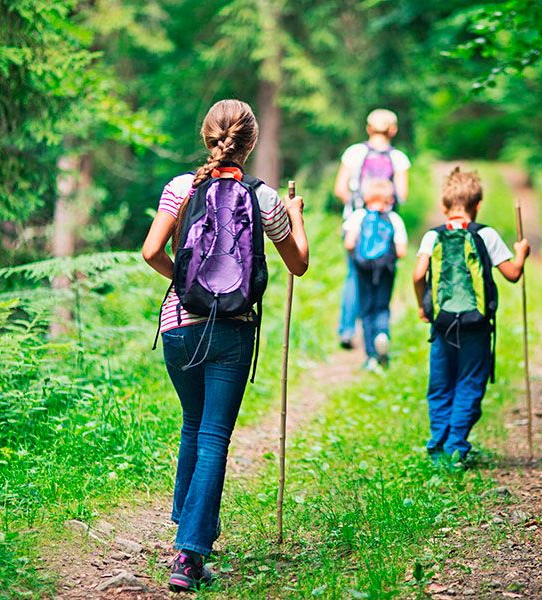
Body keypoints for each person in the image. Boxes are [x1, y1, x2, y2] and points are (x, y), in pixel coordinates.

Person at [141, 99, 309, 591]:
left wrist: (187, 285)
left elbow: (151, 252)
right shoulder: (265, 198)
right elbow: (297, 264)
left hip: (179, 327)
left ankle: (188, 523)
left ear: (205, 136)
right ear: (250, 143)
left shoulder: (179, 188)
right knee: (214, 435)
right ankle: (190, 554)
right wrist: (295, 216)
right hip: (233, 330)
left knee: (193, 423)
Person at [412, 167, 530, 463]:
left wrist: (422, 306)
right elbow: (513, 275)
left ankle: (438, 448)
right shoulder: (486, 234)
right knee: (469, 382)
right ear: (478, 205)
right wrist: (521, 253)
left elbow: (418, 274)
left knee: (440, 385)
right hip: (476, 325)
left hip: (442, 324)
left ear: (443, 206)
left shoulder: (432, 236)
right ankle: (456, 446)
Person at [334, 108, 411, 350]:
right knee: (384, 276)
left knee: (353, 276)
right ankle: (380, 327)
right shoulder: (398, 158)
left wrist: (358, 209)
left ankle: (347, 330)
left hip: (355, 223)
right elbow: (403, 195)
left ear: (368, 128)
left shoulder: (354, 153)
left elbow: (339, 189)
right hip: (387, 228)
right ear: (393, 130)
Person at [343, 178, 408, 371]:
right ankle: (382, 335)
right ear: (390, 199)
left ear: (366, 197)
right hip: (386, 271)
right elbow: (402, 251)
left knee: (366, 309)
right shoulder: (394, 219)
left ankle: (371, 355)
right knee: (382, 307)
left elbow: (349, 243)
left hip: (363, 270)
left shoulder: (358, 216)